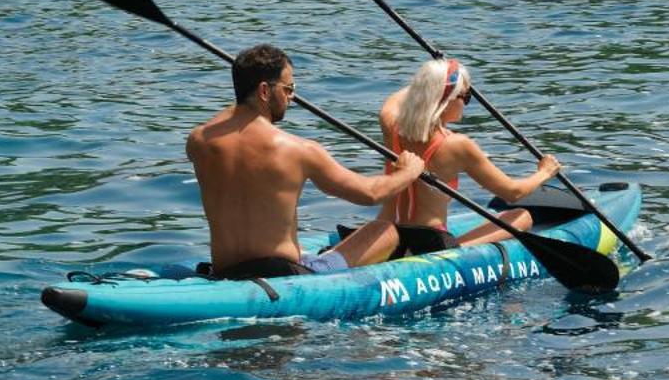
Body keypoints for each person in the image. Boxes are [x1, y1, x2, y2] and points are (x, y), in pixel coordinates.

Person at [186, 43, 424, 281]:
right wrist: (408, 171)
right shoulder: (298, 149)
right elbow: (371, 194)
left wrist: (243, 95)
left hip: (225, 271)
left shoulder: (199, 142)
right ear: (264, 92)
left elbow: (229, 121)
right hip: (284, 275)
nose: (292, 97)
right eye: (288, 88)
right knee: (384, 230)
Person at [336, 55, 559, 262]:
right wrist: (545, 172)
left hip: (388, 237)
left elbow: (400, 98)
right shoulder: (457, 145)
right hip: (429, 245)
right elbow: (513, 192)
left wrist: (432, 78)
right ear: (447, 98)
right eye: (466, 96)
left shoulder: (392, 125)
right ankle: (458, 248)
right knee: (522, 216)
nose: (466, 103)